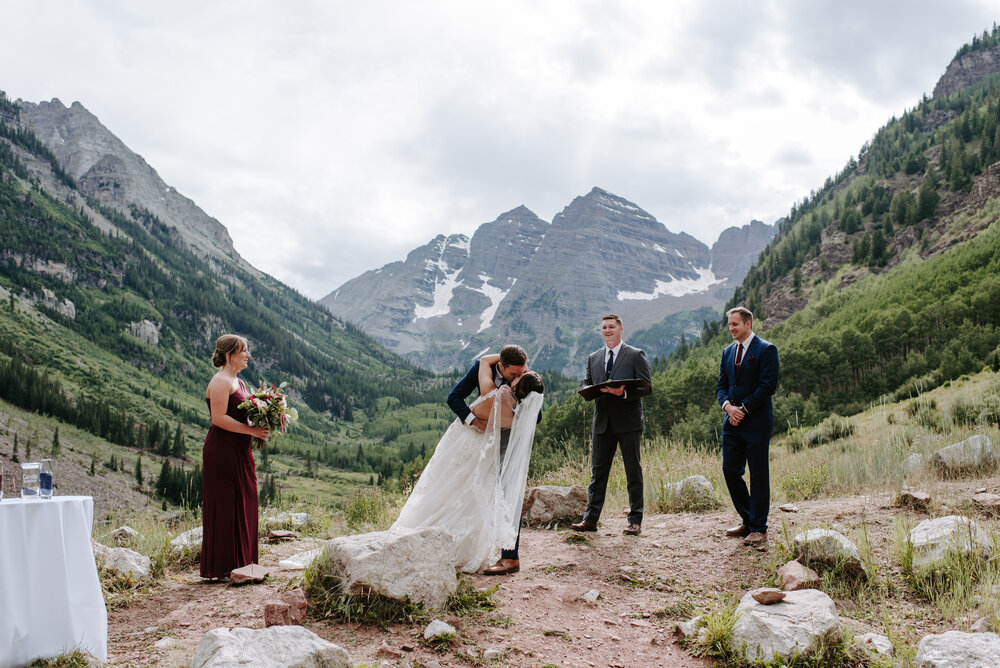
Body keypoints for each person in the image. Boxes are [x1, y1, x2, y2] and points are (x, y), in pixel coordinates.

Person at [394, 353, 544, 575]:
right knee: (453, 489)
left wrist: (517, 406)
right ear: (501, 366)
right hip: (470, 438)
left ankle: (510, 557)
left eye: (523, 372)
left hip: (503, 441)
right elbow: (454, 398)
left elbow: (537, 416)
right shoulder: (483, 369)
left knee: (506, 494)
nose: (521, 374)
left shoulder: (524, 378)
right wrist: (476, 422)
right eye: (515, 373)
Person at [571, 314, 651, 536]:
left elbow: (647, 388)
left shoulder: (636, 355)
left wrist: (623, 392)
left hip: (629, 423)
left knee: (633, 472)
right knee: (598, 473)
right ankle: (590, 520)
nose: (607, 330)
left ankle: (635, 520)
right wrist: (586, 389)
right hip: (602, 424)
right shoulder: (593, 357)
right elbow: (588, 382)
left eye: (611, 327)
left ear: (621, 329)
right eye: (604, 327)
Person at [200, 334, 269, 579]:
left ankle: (242, 562)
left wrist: (261, 424)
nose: (248, 355)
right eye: (244, 351)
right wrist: (251, 430)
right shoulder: (220, 381)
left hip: (239, 449)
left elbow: (241, 415)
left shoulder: (238, 382)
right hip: (222, 450)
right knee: (227, 504)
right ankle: (222, 567)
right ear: (230, 356)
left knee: (246, 498)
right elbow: (218, 418)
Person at [716, 307, 779, 546]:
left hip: (756, 423)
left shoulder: (766, 349)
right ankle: (748, 519)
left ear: (748, 324)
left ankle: (759, 528)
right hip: (731, 423)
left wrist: (743, 409)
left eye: (735, 325)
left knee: (759, 475)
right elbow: (721, 385)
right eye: (730, 325)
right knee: (730, 470)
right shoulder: (727, 352)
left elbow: (767, 386)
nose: (731, 329)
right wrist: (727, 407)